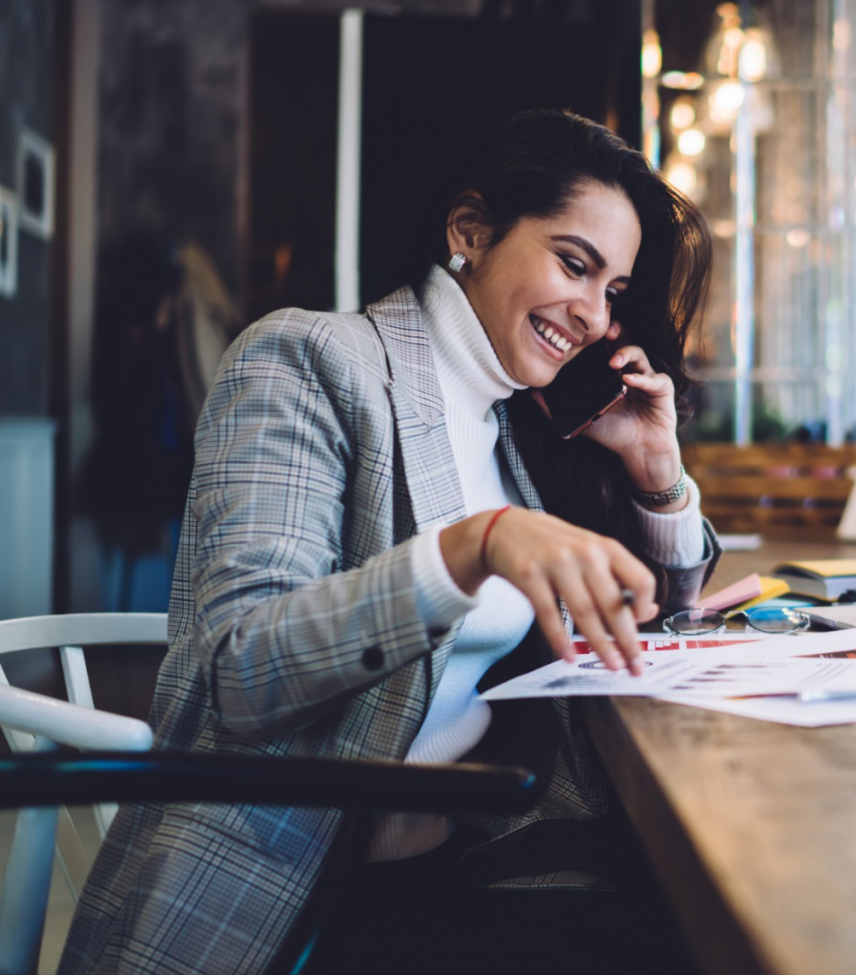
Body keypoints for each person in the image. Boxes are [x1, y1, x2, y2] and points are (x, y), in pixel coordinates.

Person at [59, 110, 718, 975]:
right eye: (573, 264)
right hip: (300, 898)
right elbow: (235, 672)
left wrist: (653, 469)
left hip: (464, 860)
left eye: (614, 292)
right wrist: (471, 547)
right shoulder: (305, 359)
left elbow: (652, 622)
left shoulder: (514, 431)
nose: (596, 316)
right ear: (470, 232)